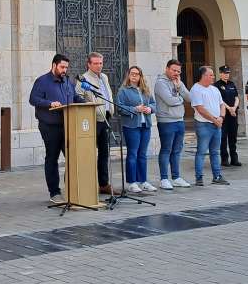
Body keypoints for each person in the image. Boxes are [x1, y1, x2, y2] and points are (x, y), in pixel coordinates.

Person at [29, 53, 85, 204]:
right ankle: (54, 192)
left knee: (72, 157)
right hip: (50, 126)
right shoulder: (42, 81)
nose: (64, 70)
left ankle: (72, 188)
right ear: (54, 65)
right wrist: (49, 103)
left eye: (66, 67)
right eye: (62, 67)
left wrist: (84, 101)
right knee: (52, 158)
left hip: (68, 124)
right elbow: (33, 99)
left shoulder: (68, 81)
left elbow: (73, 97)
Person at [77, 52, 115, 195]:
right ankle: (89, 184)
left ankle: (103, 184)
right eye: (95, 63)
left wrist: (111, 109)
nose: (99, 66)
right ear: (89, 64)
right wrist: (90, 105)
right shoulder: (83, 79)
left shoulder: (104, 77)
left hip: (105, 117)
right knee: (89, 152)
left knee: (104, 152)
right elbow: (78, 97)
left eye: (100, 63)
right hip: (91, 118)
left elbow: (108, 93)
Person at [116, 66, 157, 194]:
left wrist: (149, 109)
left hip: (145, 125)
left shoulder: (145, 90)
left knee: (142, 154)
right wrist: (135, 109)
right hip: (131, 126)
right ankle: (132, 182)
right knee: (132, 154)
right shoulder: (123, 91)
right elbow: (119, 108)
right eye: (132, 74)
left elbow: (153, 104)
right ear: (128, 75)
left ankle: (143, 181)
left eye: (137, 74)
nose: (134, 76)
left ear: (140, 76)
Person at [153, 59, 192, 190]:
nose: (176, 73)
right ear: (167, 69)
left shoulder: (178, 82)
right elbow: (169, 100)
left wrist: (180, 86)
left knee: (177, 150)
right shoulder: (160, 83)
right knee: (166, 149)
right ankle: (164, 179)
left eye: (178, 71)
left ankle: (176, 177)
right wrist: (180, 99)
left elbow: (190, 98)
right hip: (166, 121)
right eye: (174, 70)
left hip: (179, 120)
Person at [190, 66, 229, 186]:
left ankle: (217, 176)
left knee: (215, 152)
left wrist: (221, 118)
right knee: (201, 152)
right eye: (211, 75)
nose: (213, 77)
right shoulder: (196, 89)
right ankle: (199, 178)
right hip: (203, 125)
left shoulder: (214, 89)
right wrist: (214, 119)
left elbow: (222, 105)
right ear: (204, 76)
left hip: (217, 124)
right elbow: (200, 109)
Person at [214, 65, 241, 167]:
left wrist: (234, 107)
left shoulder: (231, 84)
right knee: (223, 137)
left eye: (228, 73)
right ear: (220, 73)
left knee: (233, 137)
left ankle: (234, 159)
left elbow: (236, 97)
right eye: (224, 73)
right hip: (223, 115)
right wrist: (229, 108)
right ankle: (224, 159)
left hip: (233, 114)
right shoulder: (216, 85)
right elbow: (219, 100)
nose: (226, 75)